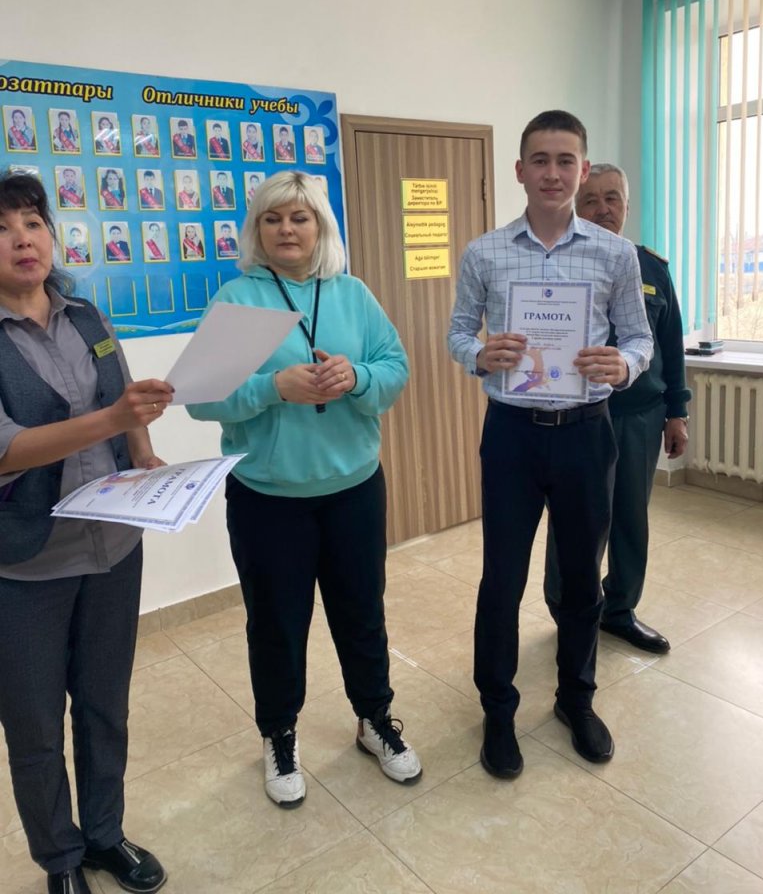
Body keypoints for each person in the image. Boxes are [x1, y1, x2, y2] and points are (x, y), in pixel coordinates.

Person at [187, 171, 422, 809]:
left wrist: (358, 377)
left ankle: (374, 720)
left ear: (320, 227)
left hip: (354, 489)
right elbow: (202, 401)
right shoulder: (240, 299)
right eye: (273, 219)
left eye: (300, 218)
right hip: (268, 498)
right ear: (257, 230)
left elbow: (395, 370)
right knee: (276, 624)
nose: (286, 230)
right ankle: (279, 735)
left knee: (362, 613)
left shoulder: (351, 294)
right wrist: (272, 388)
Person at [448, 110, 652, 778]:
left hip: (586, 433)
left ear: (583, 170)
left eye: (566, 161)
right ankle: (498, 711)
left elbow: (639, 338)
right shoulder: (484, 252)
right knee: (501, 580)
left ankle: (576, 699)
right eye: (540, 160)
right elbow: (457, 333)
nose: (553, 173)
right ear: (520, 170)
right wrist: (480, 354)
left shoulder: (615, 254)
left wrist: (623, 365)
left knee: (582, 581)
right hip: (511, 435)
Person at [0, 171, 172, 894]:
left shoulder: (88, 317)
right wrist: (113, 419)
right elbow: (7, 451)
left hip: (113, 547)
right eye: (2, 229)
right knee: (35, 727)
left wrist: (146, 457)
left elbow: (124, 405)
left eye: (32, 223)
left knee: (105, 706)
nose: (21, 239)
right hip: (25, 565)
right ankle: (61, 860)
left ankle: (104, 835)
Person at [544, 164, 690, 655]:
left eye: (612, 199)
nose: (602, 209)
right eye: (590, 200)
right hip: (574, 417)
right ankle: (568, 611)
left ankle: (620, 610)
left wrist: (677, 412)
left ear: (627, 205)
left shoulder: (652, 269)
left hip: (638, 416)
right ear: (575, 205)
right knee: (573, 521)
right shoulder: (556, 263)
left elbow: (670, 345)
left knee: (630, 518)